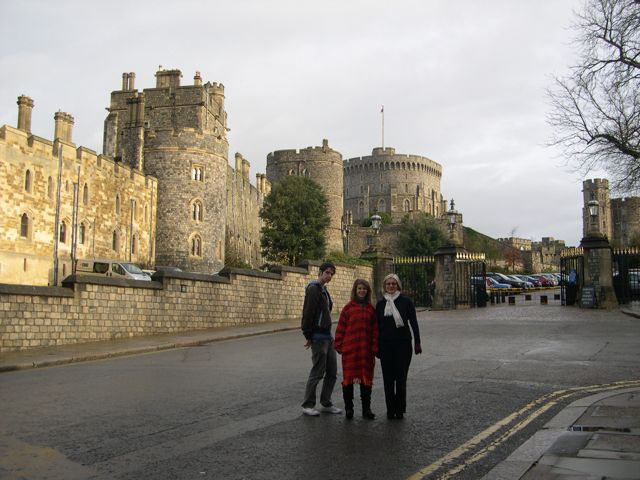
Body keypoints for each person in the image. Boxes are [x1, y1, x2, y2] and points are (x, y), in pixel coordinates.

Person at [375, 273, 422, 420]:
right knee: (388, 380)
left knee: (401, 379)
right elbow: (377, 327)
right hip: (385, 346)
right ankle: (390, 409)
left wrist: (417, 342)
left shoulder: (406, 302)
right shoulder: (380, 304)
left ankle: (400, 409)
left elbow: (413, 323)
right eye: (388, 284)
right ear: (384, 286)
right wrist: (376, 346)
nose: (391, 286)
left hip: (403, 345)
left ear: (398, 286)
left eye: (393, 284)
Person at [301, 262, 342, 416]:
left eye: (331, 273)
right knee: (318, 371)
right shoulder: (313, 289)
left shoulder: (324, 290)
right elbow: (308, 313)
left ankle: (326, 402)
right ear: (320, 272)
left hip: (327, 336)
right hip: (318, 337)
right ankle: (307, 405)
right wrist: (308, 335)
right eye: (327, 272)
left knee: (332, 371)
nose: (329, 276)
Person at [335, 279, 379, 420]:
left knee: (366, 380)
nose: (362, 291)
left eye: (364, 289)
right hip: (350, 351)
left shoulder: (371, 310)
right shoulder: (348, 308)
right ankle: (349, 408)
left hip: (366, 351)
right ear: (355, 290)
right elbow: (341, 328)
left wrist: (374, 347)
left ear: (368, 291)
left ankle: (366, 409)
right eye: (359, 288)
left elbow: (375, 331)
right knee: (348, 380)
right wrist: (339, 345)